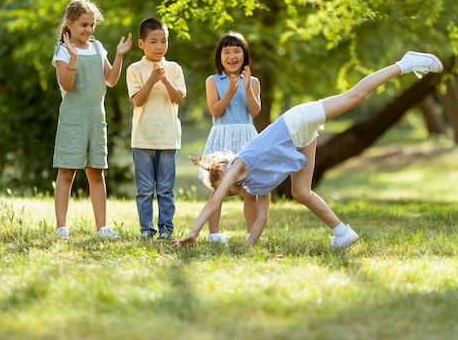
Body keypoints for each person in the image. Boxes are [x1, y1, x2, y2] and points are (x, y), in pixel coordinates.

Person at [176, 51, 443, 248]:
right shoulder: (255, 182)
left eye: (230, 191)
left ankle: (404, 63)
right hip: (298, 138)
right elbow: (261, 220)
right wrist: (247, 250)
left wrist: (193, 232)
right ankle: (342, 233)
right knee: (301, 191)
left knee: (355, 96)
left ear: (223, 172)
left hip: (296, 121)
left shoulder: (237, 165)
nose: (235, 193)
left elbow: (214, 201)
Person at [52, 0, 132, 240]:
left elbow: (111, 79)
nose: (88, 29)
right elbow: (67, 83)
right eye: (83, 25)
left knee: (96, 172)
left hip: (97, 119)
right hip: (73, 119)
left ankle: (102, 227)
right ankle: (61, 227)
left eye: (91, 25)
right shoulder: (63, 51)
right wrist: (74, 57)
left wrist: (118, 56)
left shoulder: (98, 48)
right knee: (67, 172)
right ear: (70, 24)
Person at [199, 31, 267, 243]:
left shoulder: (254, 82)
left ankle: (251, 233)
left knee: (250, 190)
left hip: (246, 136)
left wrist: (246, 88)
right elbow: (216, 111)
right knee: (218, 186)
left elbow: (255, 112)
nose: (232, 55)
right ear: (219, 56)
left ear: (244, 55)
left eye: (236, 51)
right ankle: (214, 234)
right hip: (222, 137)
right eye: (226, 51)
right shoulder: (212, 81)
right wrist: (229, 90)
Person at [126, 18, 186, 241]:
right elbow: (138, 101)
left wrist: (166, 80)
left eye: (163, 41)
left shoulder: (174, 68)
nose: (159, 46)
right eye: (154, 42)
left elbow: (178, 99)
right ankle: (146, 230)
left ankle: (166, 229)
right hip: (143, 139)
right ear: (142, 44)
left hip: (169, 139)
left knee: (165, 190)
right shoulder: (134, 70)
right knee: (144, 189)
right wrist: (151, 80)